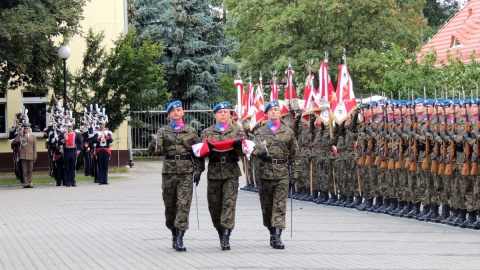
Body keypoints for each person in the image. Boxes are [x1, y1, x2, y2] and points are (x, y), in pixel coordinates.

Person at [155, 100, 204, 252]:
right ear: (169, 114)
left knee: (183, 204)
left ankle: (180, 237)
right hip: (169, 172)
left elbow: (198, 153)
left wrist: (199, 170)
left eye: (179, 109)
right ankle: (173, 231)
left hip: (186, 172)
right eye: (173, 110)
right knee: (170, 206)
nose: (176, 112)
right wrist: (153, 145)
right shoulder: (163, 132)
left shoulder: (191, 131)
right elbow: (157, 151)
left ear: (183, 112)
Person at [252, 100, 300, 249]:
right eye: (271, 110)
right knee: (267, 206)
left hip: (282, 173)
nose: (274, 112)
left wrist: (295, 174)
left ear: (280, 113)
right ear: (266, 114)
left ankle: (277, 236)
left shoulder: (288, 132)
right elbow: (252, 149)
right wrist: (258, 153)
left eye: (276, 109)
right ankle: (271, 230)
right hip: (265, 172)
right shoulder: (260, 132)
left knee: (280, 205)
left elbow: (295, 154)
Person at [200, 101, 244, 251]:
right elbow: (201, 153)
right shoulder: (207, 133)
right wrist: (198, 171)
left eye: (225, 112)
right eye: (220, 112)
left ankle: (226, 234)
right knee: (214, 206)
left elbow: (245, 152)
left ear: (229, 114)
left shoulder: (238, 131)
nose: (223, 114)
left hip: (231, 171)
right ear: (215, 115)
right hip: (214, 172)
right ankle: (220, 230)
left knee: (229, 204)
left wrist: (239, 146)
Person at [58, 117, 82, 187]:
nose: (69, 128)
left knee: (73, 167)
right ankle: (67, 181)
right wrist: (64, 141)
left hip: (73, 151)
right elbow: (59, 143)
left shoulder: (76, 134)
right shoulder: (63, 134)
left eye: (70, 127)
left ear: (72, 127)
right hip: (66, 151)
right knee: (67, 167)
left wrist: (79, 150)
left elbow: (80, 142)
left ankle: (73, 181)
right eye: (68, 127)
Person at [12, 123, 37, 188]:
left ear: (29, 129)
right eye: (25, 129)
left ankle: (30, 182)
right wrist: (20, 133)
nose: (26, 130)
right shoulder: (21, 136)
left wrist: (35, 156)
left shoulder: (33, 137)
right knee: (24, 170)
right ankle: (25, 182)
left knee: (30, 170)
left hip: (31, 155)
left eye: (27, 129)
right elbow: (15, 141)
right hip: (23, 155)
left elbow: (34, 147)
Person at [91, 116, 113, 185]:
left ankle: (105, 180)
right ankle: (100, 180)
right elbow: (93, 140)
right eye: (101, 124)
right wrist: (99, 138)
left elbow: (111, 140)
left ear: (105, 125)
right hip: (99, 149)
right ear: (99, 125)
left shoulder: (108, 132)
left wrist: (106, 136)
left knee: (106, 165)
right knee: (100, 165)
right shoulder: (97, 133)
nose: (102, 126)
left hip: (106, 150)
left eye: (103, 124)